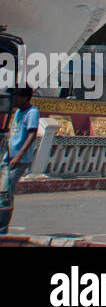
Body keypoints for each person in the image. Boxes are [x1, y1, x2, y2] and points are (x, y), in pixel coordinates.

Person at [1, 87, 39, 234]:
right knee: (3, 191)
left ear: (24, 97)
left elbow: (31, 134)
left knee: (5, 192)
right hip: (8, 156)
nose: (14, 100)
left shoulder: (32, 112)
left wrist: (19, 155)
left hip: (19, 158)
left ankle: (2, 229)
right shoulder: (18, 112)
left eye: (16, 97)